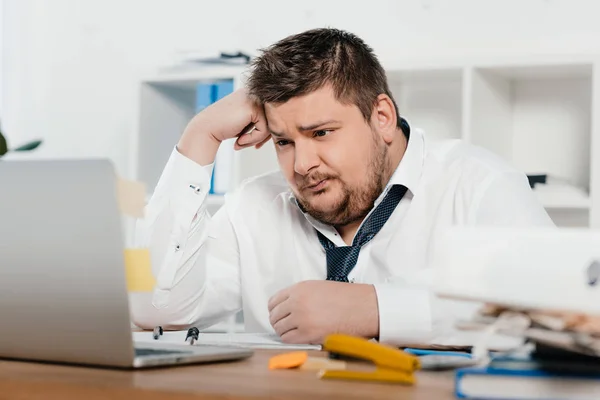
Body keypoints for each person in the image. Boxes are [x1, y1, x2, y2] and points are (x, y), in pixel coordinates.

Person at [132, 28, 554, 345]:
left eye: (320, 133)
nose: (301, 164)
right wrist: (200, 136)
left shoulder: (477, 183)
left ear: (382, 117)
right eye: (283, 141)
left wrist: (377, 309)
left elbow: (557, 310)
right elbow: (156, 309)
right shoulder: (254, 206)